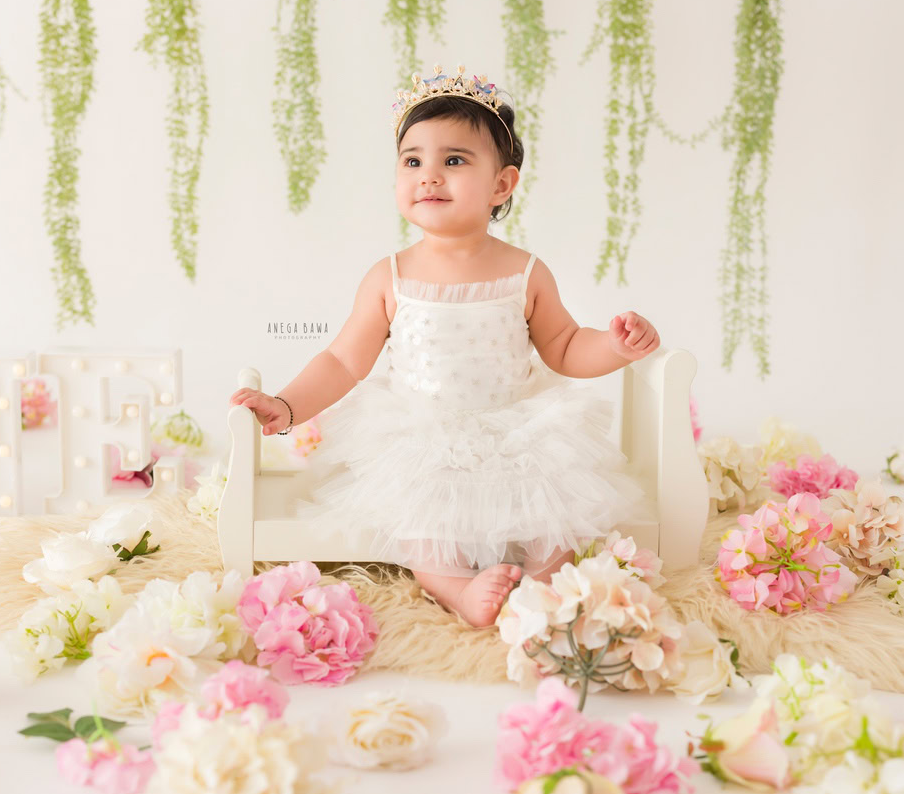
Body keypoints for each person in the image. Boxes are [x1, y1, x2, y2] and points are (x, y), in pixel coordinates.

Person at [228, 65, 659, 628]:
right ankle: (455, 587)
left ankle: (544, 579)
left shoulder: (525, 271)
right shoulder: (390, 276)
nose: (429, 175)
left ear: (502, 185)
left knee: (554, 517)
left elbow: (565, 346)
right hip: (424, 433)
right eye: (413, 161)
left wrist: (617, 347)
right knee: (426, 529)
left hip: (517, 426)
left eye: (453, 160)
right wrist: (285, 407)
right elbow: (341, 361)